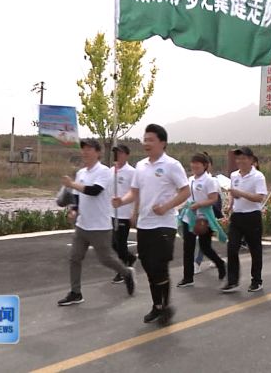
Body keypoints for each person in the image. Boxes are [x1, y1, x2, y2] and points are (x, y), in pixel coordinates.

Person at [113, 124, 190, 325]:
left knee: (159, 265)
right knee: (148, 265)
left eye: (150, 140)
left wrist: (166, 206)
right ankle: (157, 306)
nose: (146, 143)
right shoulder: (140, 166)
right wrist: (124, 202)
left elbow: (185, 191)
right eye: (144, 139)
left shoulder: (172, 165)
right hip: (145, 224)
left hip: (164, 224)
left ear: (162, 143)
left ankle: (165, 307)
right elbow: (135, 192)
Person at [58, 139, 135, 306]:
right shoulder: (81, 173)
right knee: (74, 258)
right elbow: (78, 198)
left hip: (99, 226)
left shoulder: (105, 172)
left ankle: (126, 272)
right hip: (82, 225)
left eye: (89, 149)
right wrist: (73, 210)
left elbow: (94, 191)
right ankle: (75, 292)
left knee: (106, 259)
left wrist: (72, 184)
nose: (85, 152)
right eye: (83, 149)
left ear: (98, 152)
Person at [176, 153, 227, 287]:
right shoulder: (190, 179)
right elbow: (186, 196)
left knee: (205, 247)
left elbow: (213, 199)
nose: (194, 166)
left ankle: (220, 264)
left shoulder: (209, 181)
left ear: (204, 166)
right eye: (193, 163)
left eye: (197, 163)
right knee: (188, 248)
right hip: (190, 217)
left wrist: (198, 205)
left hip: (204, 218)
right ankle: (188, 277)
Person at [222, 147, 267, 293]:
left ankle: (256, 280)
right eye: (238, 158)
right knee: (232, 248)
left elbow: (260, 197)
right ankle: (232, 281)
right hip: (237, 216)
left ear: (251, 160)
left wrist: (240, 193)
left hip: (252, 216)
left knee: (255, 249)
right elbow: (232, 192)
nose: (240, 161)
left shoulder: (258, 176)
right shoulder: (234, 175)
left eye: (243, 158)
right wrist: (230, 204)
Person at [110, 145, 138, 284]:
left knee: (121, 244)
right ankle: (130, 258)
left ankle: (122, 271)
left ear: (126, 155)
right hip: (112, 212)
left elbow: (136, 193)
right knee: (112, 243)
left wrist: (134, 213)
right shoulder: (111, 171)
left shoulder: (132, 172)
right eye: (115, 153)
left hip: (125, 213)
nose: (117, 155)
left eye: (120, 153)